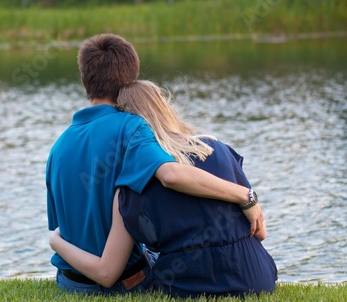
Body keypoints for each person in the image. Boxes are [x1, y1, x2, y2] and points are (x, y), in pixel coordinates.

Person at [46, 34, 265, 295]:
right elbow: (171, 174)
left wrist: (54, 242)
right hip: (121, 282)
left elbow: (63, 227)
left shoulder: (57, 148)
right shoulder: (131, 127)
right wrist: (244, 196)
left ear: (85, 82)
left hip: (69, 281)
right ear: (132, 81)